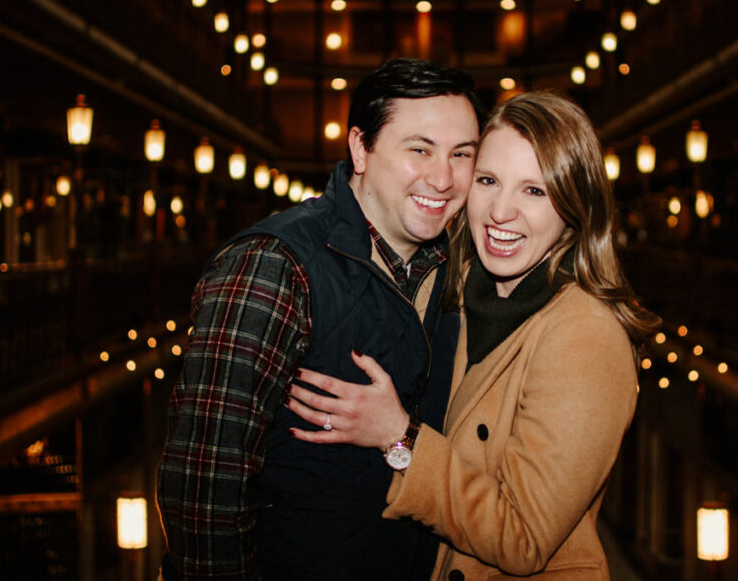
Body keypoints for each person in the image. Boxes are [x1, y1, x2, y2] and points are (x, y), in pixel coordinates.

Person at [286, 91, 660, 580]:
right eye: (488, 180)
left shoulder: (586, 334)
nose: (501, 212)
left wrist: (399, 437)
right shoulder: (459, 295)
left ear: (574, 207)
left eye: (535, 191)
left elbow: (522, 538)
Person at [156, 58, 485, 580]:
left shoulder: (455, 270)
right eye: (419, 149)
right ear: (360, 148)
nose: (443, 178)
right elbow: (203, 487)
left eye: (461, 155)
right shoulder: (275, 264)